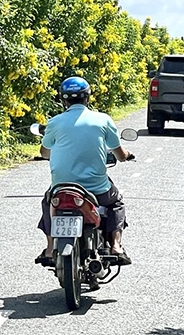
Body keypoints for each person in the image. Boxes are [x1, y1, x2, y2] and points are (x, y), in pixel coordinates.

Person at [35, 76, 134, 268]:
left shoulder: (54, 122)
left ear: (64, 100)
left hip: (61, 187)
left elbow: (44, 152)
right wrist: (128, 155)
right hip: (97, 189)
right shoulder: (103, 120)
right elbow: (120, 155)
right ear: (87, 97)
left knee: (48, 201)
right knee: (116, 202)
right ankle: (116, 246)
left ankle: (49, 248)